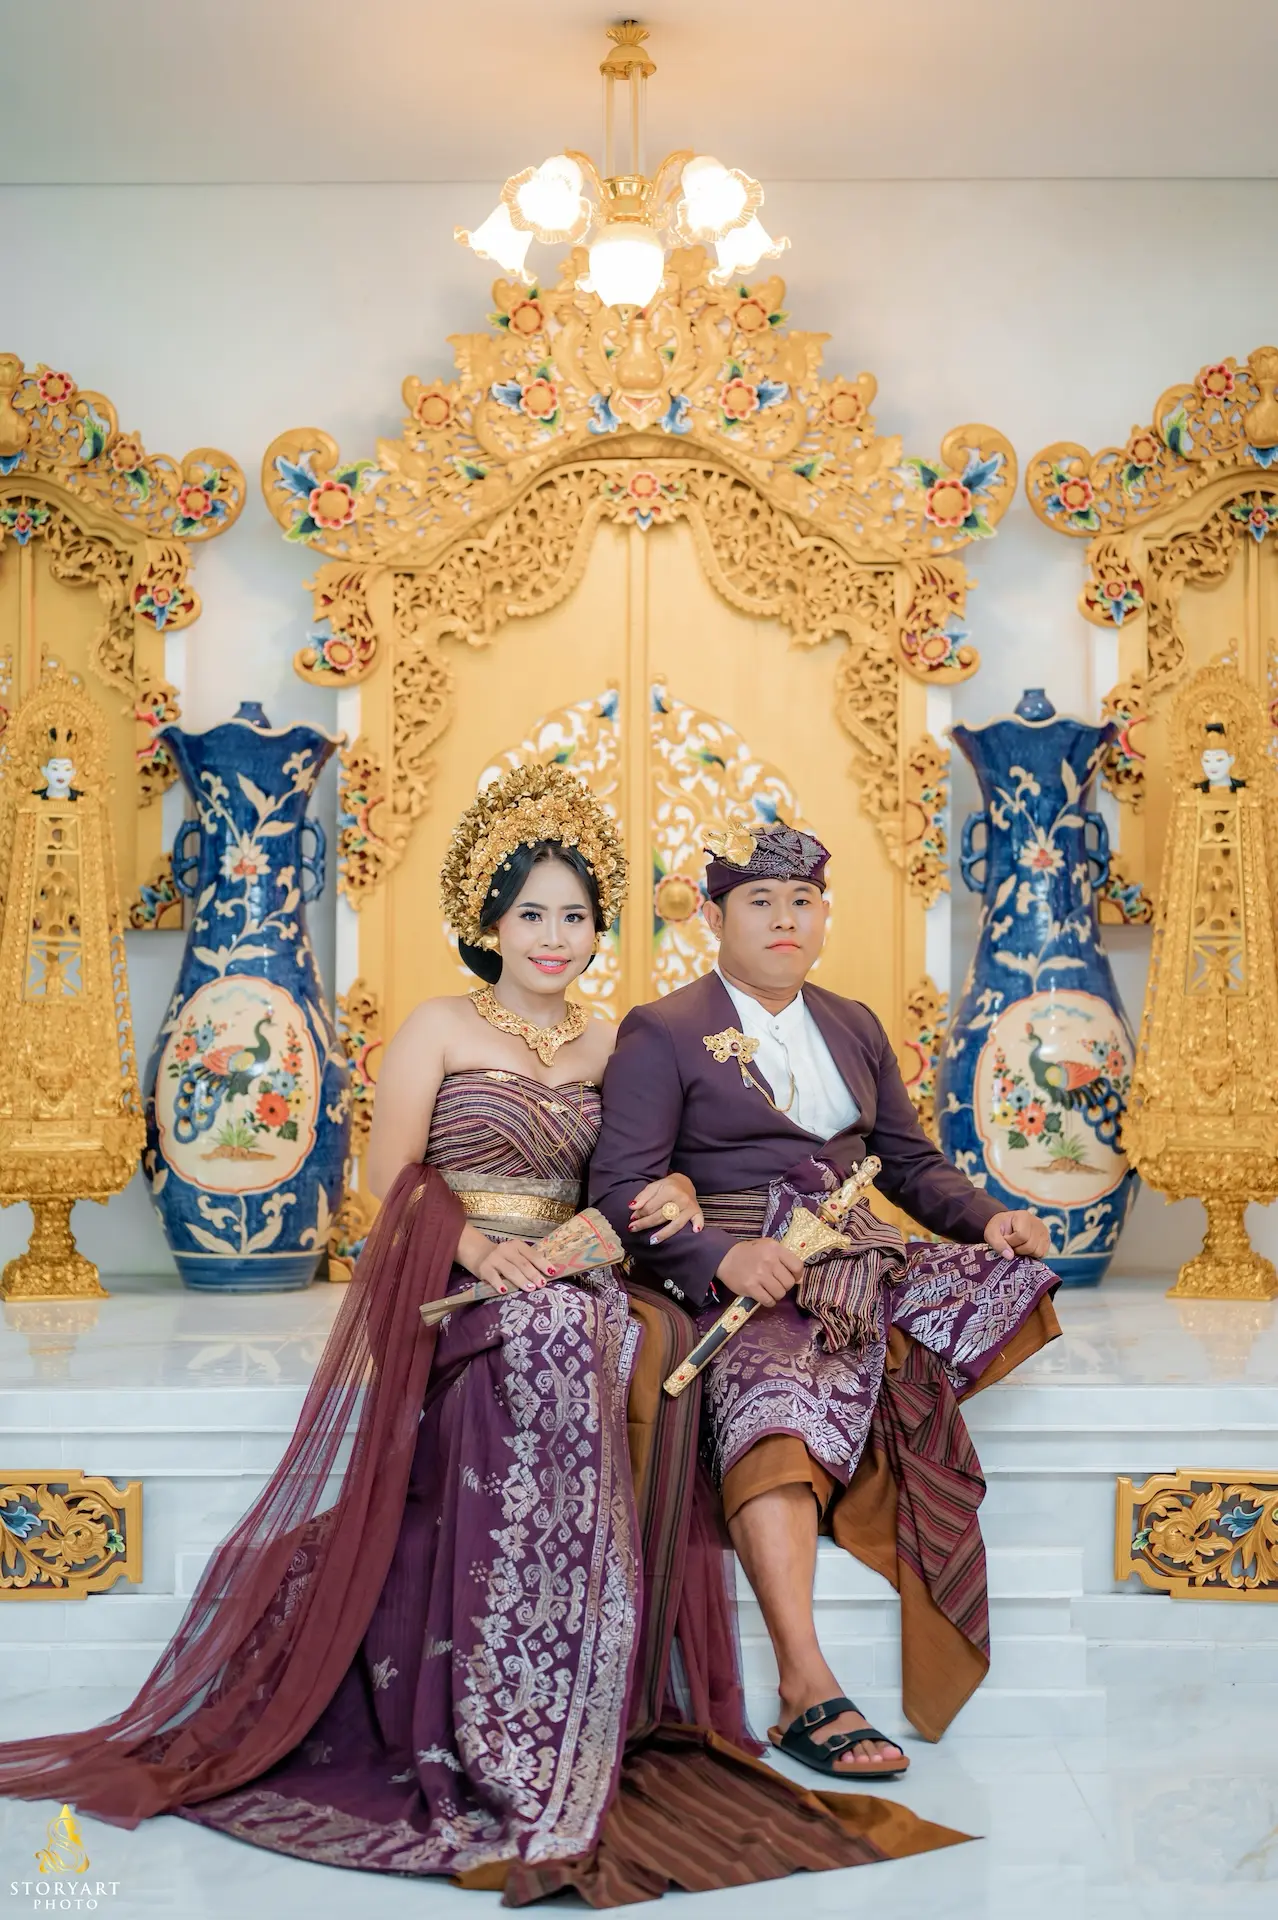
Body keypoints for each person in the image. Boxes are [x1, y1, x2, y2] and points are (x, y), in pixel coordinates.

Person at [0, 768, 966, 1905]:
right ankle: (507, 1696)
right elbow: (388, 1180)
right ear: (489, 923)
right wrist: (470, 1249)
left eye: (575, 917)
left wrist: (672, 1202)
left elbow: (639, 1177)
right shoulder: (438, 1028)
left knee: (643, 1342)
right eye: (531, 915)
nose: (554, 938)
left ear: (598, 931)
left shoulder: (619, 1043)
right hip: (457, 1277)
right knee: (551, 1339)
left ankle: (587, 1678)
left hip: (579, 1268)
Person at [590, 818, 1061, 1784]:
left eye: (802, 901)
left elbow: (911, 1164)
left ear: (822, 915)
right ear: (714, 917)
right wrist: (721, 1258)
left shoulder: (853, 1023)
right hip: (743, 1269)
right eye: (760, 901)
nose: (785, 919)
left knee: (1012, 1285)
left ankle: (863, 1418)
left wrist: (990, 1220)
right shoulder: (663, 1029)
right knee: (774, 1398)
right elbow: (620, 1189)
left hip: (855, 1253)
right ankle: (805, 1685)